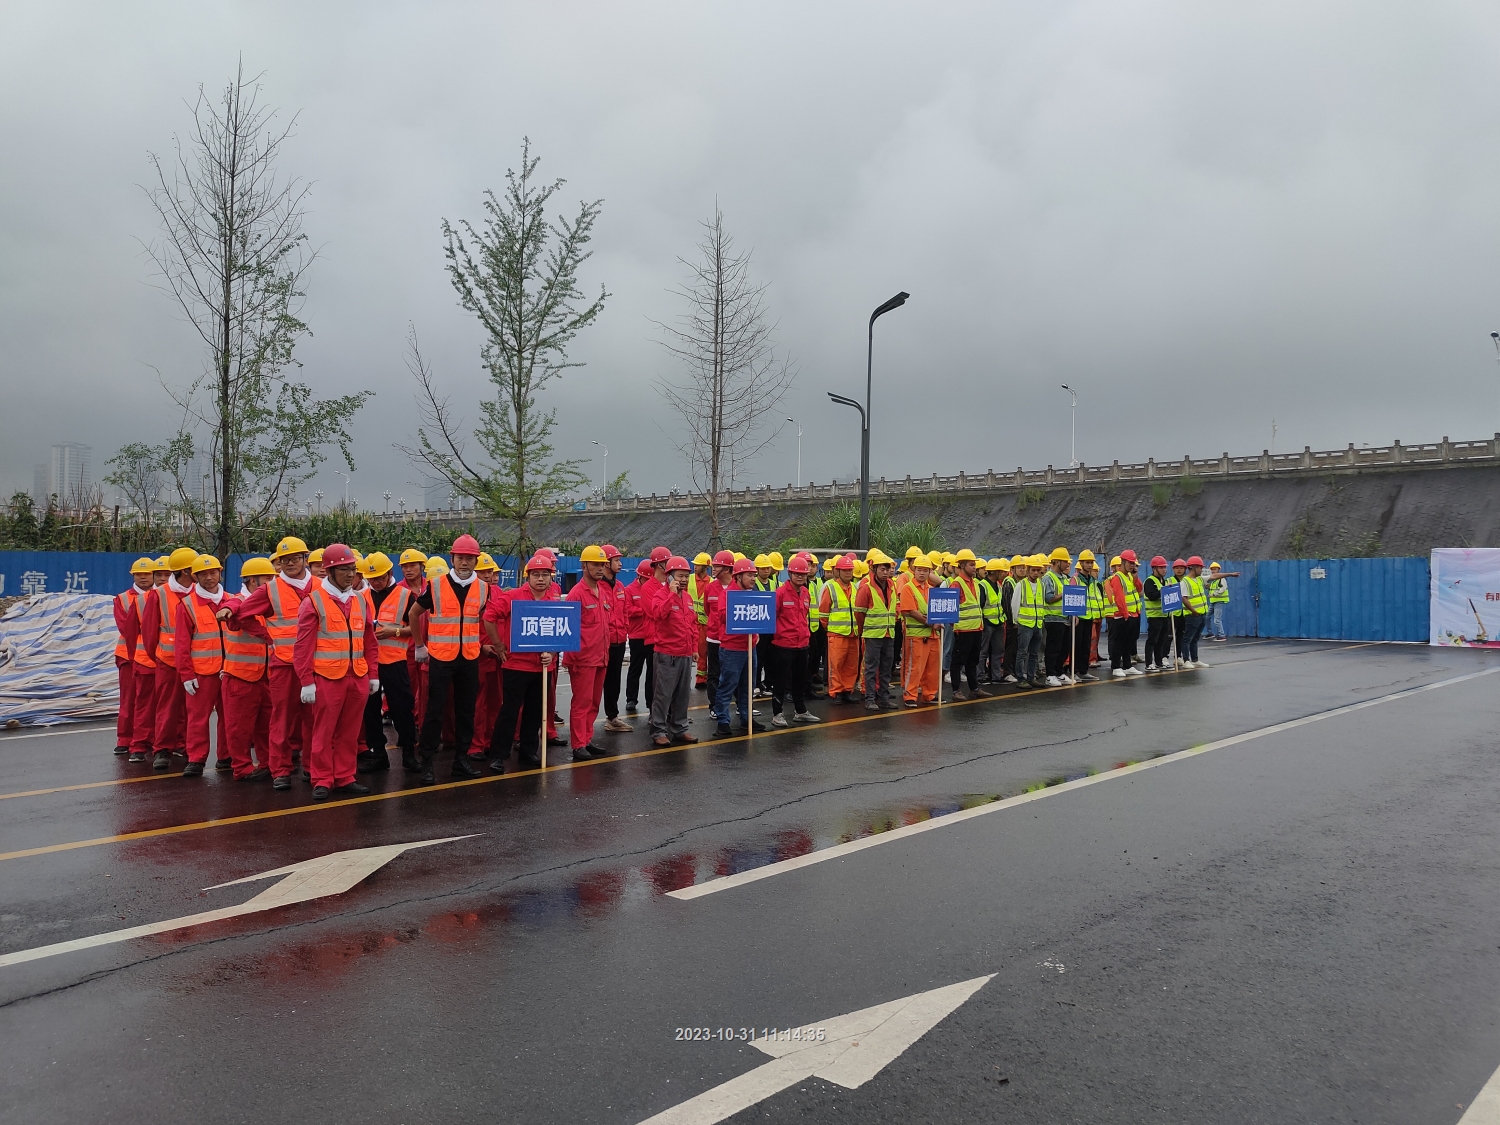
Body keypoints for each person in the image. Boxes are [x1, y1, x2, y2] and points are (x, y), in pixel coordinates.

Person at [228, 536, 318, 789]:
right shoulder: (270, 589)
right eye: (284, 560)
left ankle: (312, 767)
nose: (290, 563)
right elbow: (242, 614)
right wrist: (268, 635)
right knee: (281, 718)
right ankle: (280, 770)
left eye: (295, 558)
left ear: (305, 559)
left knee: (313, 719)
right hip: (284, 665)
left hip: (316, 664)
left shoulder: (321, 586)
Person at [294, 544, 378, 801]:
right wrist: (306, 681)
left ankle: (344, 776)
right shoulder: (313, 602)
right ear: (329, 571)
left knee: (350, 732)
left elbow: (370, 641)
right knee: (323, 731)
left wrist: (373, 674)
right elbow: (303, 646)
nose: (350, 574)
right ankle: (321, 778)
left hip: (357, 676)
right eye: (344, 570)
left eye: (353, 569)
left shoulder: (360, 599)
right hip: (327, 678)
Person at [407, 534, 489, 784]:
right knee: (435, 711)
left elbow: (478, 618)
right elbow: (413, 614)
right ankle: (427, 762)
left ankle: (461, 760)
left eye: (469, 559)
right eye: (460, 558)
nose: (464, 562)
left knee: (466, 711)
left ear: (476, 561)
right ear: (452, 559)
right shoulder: (436, 585)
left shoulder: (483, 588)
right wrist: (419, 646)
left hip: (469, 658)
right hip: (441, 658)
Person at [484, 554, 559, 770]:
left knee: (535, 712)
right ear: (528, 576)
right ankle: (498, 755)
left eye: (545, 574)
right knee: (509, 711)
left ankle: (528, 751)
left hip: (542, 667)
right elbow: (489, 617)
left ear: (551, 577)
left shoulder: (554, 602)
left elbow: (561, 633)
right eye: (536, 575)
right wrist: (498, 644)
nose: (541, 579)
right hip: (516, 665)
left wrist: (552, 653)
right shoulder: (512, 597)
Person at [139, 546, 200, 770]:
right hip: (169, 661)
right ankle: (162, 749)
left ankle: (185, 746)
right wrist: (159, 657)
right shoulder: (159, 595)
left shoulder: (201, 592)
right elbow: (149, 632)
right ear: (185, 571)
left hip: (197, 662)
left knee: (192, 709)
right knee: (167, 707)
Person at [174, 554, 235, 778]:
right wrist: (186, 674)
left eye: (213, 573)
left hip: (230, 670)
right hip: (202, 673)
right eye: (203, 574)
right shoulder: (187, 605)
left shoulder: (232, 600)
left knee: (229, 716)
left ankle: (226, 756)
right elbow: (182, 643)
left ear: (220, 573)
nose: (209, 578)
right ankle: (196, 759)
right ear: (195, 577)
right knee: (198, 718)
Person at [357, 552, 418, 773]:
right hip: (368, 663)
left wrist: (396, 631)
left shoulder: (406, 596)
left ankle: (409, 754)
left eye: (380, 578)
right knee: (370, 711)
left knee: (402, 708)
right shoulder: (360, 596)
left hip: (395, 662)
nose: (376, 582)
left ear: (390, 573)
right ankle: (379, 755)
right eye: (371, 579)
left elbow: (417, 629)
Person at [219, 557, 274, 782]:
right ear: (252, 580)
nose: (272, 583)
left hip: (267, 676)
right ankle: (241, 767)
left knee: (267, 726)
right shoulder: (236, 602)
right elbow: (232, 610)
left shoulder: (271, 603)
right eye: (267, 579)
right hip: (240, 676)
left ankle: (268, 763)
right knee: (239, 727)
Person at [565, 545, 615, 759]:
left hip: (600, 657)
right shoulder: (576, 594)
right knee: (582, 702)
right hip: (583, 659)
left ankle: (586, 739)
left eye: (602, 565)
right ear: (584, 566)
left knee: (594, 702)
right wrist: (576, 659)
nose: (600, 568)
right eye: (595, 564)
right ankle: (578, 744)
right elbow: (569, 629)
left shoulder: (602, 591)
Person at [649, 556, 700, 747]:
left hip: (685, 653)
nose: (684, 580)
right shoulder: (660, 595)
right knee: (663, 695)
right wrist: (671, 594)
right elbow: (658, 614)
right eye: (680, 576)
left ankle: (680, 729)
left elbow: (692, 625)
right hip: (667, 654)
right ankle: (658, 731)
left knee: (682, 694)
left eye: (687, 576)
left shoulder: (687, 598)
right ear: (669, 576)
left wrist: (694, 648)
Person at [711, 557, 763, 736]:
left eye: (754, 575)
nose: (753, 579)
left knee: (748, 686)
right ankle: (723, 721)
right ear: (738, 576)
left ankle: (746, 719)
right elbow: (723, 617)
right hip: (732, 648)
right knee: (727, 685)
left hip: (750, 646)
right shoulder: (727, 594)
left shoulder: (754, 593)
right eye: (750, 575)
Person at [767, 555, 819, 727]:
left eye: (803, 574)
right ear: (789, 574)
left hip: (802, 644)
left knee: (800, 680)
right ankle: (777, 713)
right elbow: (772, 617)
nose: (800, 577)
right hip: (783, 645)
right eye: (797, 574)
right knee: (781, 681)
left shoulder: (805, 593)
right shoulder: (780, 593)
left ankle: (800, 711)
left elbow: (804, 616)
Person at [465, 552, 505, 766]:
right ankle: (475, 745)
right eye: (483, 572)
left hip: (497, 657)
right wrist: (481, 647)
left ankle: (490, 741)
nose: (488, 575)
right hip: (476, 657)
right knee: (476, 704)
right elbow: (462, 626)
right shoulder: (469, 593)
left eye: (490, 571)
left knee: (496, 702)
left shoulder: (498, 593)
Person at [112, 558, 154, 757]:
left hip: (151, 656)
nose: (143, 577)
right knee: (128, 699)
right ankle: (125, 739)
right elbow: (126, 628)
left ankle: (149, 738)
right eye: (139, 574)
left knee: (150, 702)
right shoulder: (122, 599)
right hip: (128, 656)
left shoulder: (160, 596)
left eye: (146, 574)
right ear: (133, 576)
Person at [854, 549, 897, 711]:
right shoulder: (866, 588)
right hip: (873, 635)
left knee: (886, 668)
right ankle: (870, 698)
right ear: (874, 569)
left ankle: (884, 698)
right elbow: (859, 613)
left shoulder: (892, 586)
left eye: (887, 569)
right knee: (871, 668)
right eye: (882, 569)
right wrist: (864, 630)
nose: (885, 572)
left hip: (888, 633)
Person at [899, 554, 941, 706]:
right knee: (915, 667)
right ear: (914, 570)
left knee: (932, 667)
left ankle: (929, 694)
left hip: (933, 635)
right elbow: (910, 611)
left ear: (930, 572)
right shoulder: (907, 588)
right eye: (919, 570)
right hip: (916, 635)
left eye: (925, 570)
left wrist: (939, 621)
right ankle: (910, 695)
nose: (922, 573)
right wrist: (930, 622)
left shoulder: (931, 590)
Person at [599, 545, 633, 732]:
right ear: (606, 563)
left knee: (614, 680)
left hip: (619, 641)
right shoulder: (598, 586)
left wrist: (624, 629)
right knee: (597, 682)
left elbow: (625, 611)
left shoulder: (619, 586)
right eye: (617, 560)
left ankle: (612, 717)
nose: (620, 564)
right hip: (602, 642)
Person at [819, 554, 861, 703]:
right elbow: (823, 614)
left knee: (851, 665)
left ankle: (848, 690)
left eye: (850, 570)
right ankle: (836, 692)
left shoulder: (855, 588)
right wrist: (831, 629)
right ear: (837, 571)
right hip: (837, 634)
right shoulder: (830, 588)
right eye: (845, 570)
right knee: (836, 665)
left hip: (853, 633)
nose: (848, 573)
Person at [624, 555, 662, 714]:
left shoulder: (655, 588)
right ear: (639, 576)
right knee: (635, 668)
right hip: (636, 635)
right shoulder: (629, 590)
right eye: (645, 578)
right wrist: (644, 610)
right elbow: (628, 610)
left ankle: (650, 702)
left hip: (650, 636)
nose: (648, 581)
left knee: (651, 671)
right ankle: (631, 699)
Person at [948, 549, 988, 699]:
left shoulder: (975, 583)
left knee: (973, 661)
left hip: (976, 628)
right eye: (971, 565)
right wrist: (956, 625)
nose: (974, 568)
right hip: (963, 630)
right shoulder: (956, 584)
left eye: (974, 565)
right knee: (958, 661)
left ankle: (974, 688)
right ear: (962, 565)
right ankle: (956, 690)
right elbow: (951, 609)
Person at [702, 551, 733, 722]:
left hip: (733, 639)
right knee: (714, 673)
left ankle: (739, 705)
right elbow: (708, 610)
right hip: (714, 637)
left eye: (717, 566)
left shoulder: (738, 587)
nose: (713, 569)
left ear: (727, 569)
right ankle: (714, 706)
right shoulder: (710, 588)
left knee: (733, 672)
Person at [1102, 553, 1144, 677]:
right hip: (1122, 616)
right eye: (1130, 563)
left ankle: (1127, 665)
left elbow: (1139, 589)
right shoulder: (1117, 578)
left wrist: (1136, 577)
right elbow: (1119, 598)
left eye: (1134, 563)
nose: (1132, 566)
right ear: (1123, 562)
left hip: (1133, 613)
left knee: (1128, 642)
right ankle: (1116, 666)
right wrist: (1125, 615)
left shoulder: (1130, 576)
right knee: (1118, 642)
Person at [1011, 555, 1046, 688]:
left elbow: (1042, 604)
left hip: (1037, 624)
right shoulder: (1021, 585)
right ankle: (1021, 679)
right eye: (1033, 570)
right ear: (1028, 570)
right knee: (1022, 652)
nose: (1036, 573)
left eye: (1038, 570)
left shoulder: (1041, 585)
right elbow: (1015, 604)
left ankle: (1031, 677)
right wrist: (1016, 620)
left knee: (1034, 653)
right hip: (1025, 624)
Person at [1041, 547, 1071, 687]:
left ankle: (1059, 672)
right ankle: (1050, 675)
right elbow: (1048, 598)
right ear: (1057, 562)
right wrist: (1064, 594)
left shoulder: (1064, 578)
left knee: (1064, 648)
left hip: (1065, 619)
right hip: (1053, 619)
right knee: (1053, 648)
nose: (1067, 564)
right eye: (1065, 562)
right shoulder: (1048, 578)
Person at [1141, 556, 1174, 672]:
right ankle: (1149, 663)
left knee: (1162, 641)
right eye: (1161, 567)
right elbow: (1152, 596)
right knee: (1152, 640)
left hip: (1164, 615)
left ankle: (1159, 662)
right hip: (1154, 616)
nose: (1164, 570)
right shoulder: (1149, 581)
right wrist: (1164, 590)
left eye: (1165, 567)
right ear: (1154, 568)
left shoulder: (1165, 581)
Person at [977, 558, 1007, 685]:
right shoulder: (982, 585)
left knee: (998, 650)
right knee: (983, 651)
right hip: (987, 623)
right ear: (994, 572)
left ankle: (996, 676)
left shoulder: (998, 585)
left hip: (998, 622)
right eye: (1001, 571)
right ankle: (980, 675)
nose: (1003, 573)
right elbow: (980, 606)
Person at [1074, 553, 1102, 682]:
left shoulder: (1093, 581)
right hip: (1079, 617)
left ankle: (1084, 671)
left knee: (1086, 645)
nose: (1090, 565)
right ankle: (1074, 671)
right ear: (1081, 563)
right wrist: (1074, 615)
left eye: (1091, 562)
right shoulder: (1075, 579)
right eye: (1087, 562)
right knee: (1076, 646)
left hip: (1090, 616)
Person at [1180, 556, 1211, 667]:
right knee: (1187, 638)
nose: (1202, 570)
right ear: (1193, 567)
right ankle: (1186, 660)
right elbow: (1184, 598)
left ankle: (1195, 659)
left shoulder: (1199, 579)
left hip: (1202, 614)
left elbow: (1214, 576)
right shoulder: (1185, 582)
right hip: (1192, 615)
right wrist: (1193, 611)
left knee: (1195, 638)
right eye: (1200, 567)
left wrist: (1229, 574)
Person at [689, 552, 712, 688]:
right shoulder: (689, 579)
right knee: (695, 652)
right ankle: (700, 679)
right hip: (691, 622)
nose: (695, 567)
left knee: (704, 652)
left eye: (698, 565)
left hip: (706, 623)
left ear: (705, 567)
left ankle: (702, 678)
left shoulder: (712, 582)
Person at [1207, 561, 1231, 640]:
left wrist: (1213, 594)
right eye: (1212, 569)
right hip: (1213, 601)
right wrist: (1209, 587)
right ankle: (1210, 633)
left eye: (1215, 569)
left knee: (1217, 620)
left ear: (1218, 570)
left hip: (1219, 600)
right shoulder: (1214, 580)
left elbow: (1222, 589)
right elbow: (1215, 588)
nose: (1213, 571)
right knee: (1206, 617)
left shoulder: (1221, 578)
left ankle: (1221, 635)